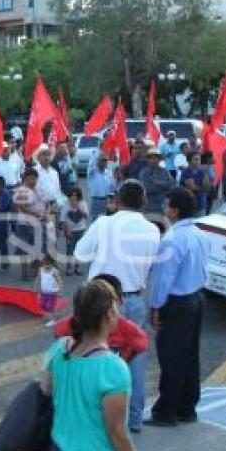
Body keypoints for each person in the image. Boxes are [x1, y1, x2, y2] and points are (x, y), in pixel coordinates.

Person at [42, 280, 155, 451]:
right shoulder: (113, 368)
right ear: (109, 316)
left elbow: (46, 390)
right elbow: (117, 432)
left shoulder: (59, 349)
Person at [74, 180, 160, 433]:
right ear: (143, 202)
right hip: (133, 299)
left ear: (118, 201)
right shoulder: (153, 230)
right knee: (135, 360)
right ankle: (133, 420)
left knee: (93, 358)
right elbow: (152, 265)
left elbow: (80, 254)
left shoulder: (104, 223)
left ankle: (95, 419)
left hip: (99, 300)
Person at [146, 187, 209, 427]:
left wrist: (155, 307)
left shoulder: (171, 239)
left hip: (178, 302)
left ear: (175, 210)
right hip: (196, 297)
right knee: (190, 354)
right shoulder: (200, 234)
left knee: (171, 357)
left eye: (167, 205)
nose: (164, 209)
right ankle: (187, 407)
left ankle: (166, 411)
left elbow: (163, 280)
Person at [54, 275, 148, 363]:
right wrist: (123, 359)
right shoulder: (127, 327)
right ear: (119, 302)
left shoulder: (75, 320)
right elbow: (140, 343)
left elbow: (58, 333)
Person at [13, 168, 46, 281]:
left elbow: (44, 202)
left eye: (34, 178)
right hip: (25, 224)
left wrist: (45, 213)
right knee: (25, 249)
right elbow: (21, 207)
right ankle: (24, 273)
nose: (32, 181)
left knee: (38, 248)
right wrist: (35, 213)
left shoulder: (38, 188)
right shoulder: (22, 190)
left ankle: (37, 272)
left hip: (38, 222)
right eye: (30, 178)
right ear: (25, 179)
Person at [139, 147, 176, 221]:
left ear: (159, 160)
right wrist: (165, 187)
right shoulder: (144, 172)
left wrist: (160, 183)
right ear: (148, 159)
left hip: (164, 211)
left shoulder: (165, 171)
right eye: (151, 158)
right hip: (148, 210)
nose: (153, 160)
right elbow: (147, 189)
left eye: (156, 158)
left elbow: (173, 185)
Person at [60, 188, 89, 275]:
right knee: (69, 249)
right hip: (70, 231)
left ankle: (77, 267)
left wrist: (78, 208)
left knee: (79, 249)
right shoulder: (66, 205)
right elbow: (62, 219)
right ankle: (69, 268)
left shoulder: (83, 204)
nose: (73, 198)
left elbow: (86, 216)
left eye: (75, 196)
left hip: (80, 230)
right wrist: (66, 230)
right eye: (71, 196)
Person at [179, 151, 211, 217]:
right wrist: (202, 188)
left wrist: (205, 174)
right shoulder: (186, 172)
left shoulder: (202, 172)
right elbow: (193, 187)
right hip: (189, 205)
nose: (198, 161)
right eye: (195, 159)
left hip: (201, 205)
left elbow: (208, 188)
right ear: (189, 161)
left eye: (199, 159)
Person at [36, 253, 63, 327]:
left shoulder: (54, 271)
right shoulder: (41, 269)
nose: (47, 266)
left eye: (49, 264)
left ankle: (52, 320)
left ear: (52, 263)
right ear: (43, 263)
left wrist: (60, 291)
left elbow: (59, 281)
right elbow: (38, 278)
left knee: (49, 306)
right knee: (42, 304)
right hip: (44, 291)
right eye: (45, 264)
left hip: (52, 292)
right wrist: (36, 287)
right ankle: (49, 315)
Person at [87, 153, 115, 220]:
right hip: (96, 201)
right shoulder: (92, 173)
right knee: (95, 222)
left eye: (106, 160)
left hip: (107, 201)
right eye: (103, 160)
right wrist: (99, 151)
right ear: (98, 161)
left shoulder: (108, 173)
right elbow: (91, 163)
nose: (105, 162)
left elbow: (112, 187)